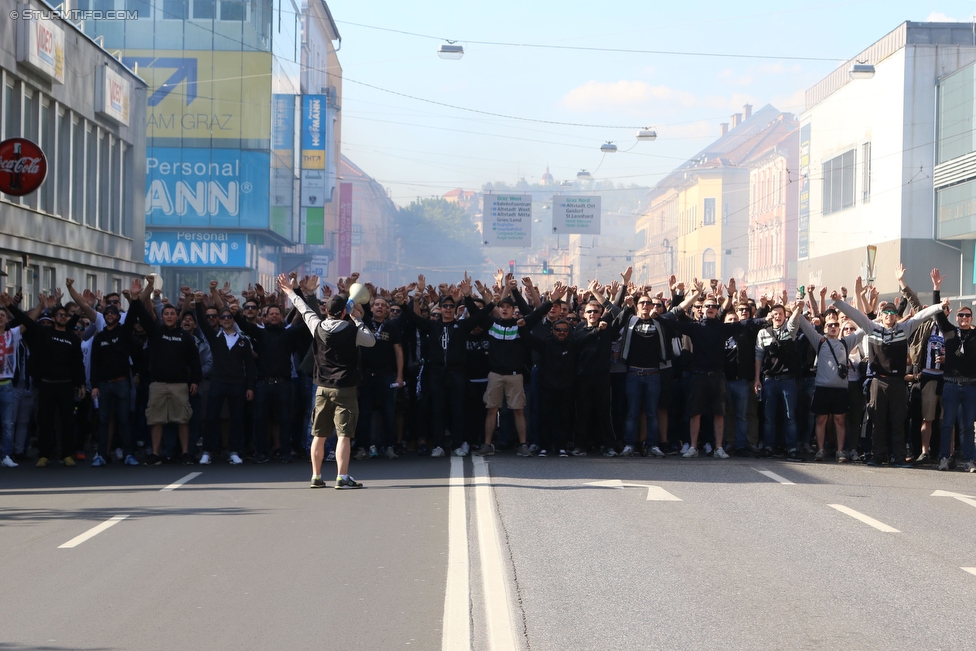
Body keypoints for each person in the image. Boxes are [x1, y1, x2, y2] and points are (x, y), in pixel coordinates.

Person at [831, 265, 945, 467]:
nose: (890, 315)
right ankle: (877, 456)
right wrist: (838, 301)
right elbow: (856, 315)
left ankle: (899, 457)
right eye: (886, 312)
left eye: (893, 312)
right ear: (881, 316)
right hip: (878, 382)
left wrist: (939, 306)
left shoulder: (904, 328)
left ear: (895, 315)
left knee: (899, 421)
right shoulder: (872, 328)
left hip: (898, 383)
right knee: (877, 421)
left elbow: (920, 315)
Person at [277, 273, 375, 489]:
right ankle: (342, 476)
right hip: (346, 389)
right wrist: (356, 318)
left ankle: (316, 476)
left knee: (318, 435)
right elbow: (371, 341)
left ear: (326, 311)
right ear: (344, 311)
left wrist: (289, 291)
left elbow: (303, 309)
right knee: (344, 435)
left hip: (321, 388)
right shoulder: (352, 330)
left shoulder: (317, 326)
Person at [474, 278, 564, 457]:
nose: (505, 309)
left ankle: (523, 445)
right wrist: (472, 296)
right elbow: (476, 314)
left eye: (509, 307)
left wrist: (551, 300)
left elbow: (537, 314)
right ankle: (487, 444)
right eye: (502, 306)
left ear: (514, 311)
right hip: (495, 375)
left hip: (515, 376)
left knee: (518, 410)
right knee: (492, 410)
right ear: (498, 309)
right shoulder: (492, 325)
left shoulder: (521, 325)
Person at [128, 275, 201, 466]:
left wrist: (195, 380)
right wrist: (136, 297)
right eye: (166, 314)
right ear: (162, 317)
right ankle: (155, 453)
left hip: (179, 385)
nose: (169, 316)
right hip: (158, 384)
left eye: (172, 314)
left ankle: (185, 453)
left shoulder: (185, 336)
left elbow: (195, 361)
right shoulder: (155, 332)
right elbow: (142, 314)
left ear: (177, 316)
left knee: (182, 420)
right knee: (156, 420)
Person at [793, 304, 865, 462]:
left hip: (840, 390)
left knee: (840, 420)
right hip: (822, 388)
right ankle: (820, 450)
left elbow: (864, 326)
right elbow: (803, 324)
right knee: (821, 420)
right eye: (830, 325)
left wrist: (846, 306)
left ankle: (840, 451)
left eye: (836, 324)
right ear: (824, 328)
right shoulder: (819, 341)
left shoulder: (846, 342)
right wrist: (797, 307)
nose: (833, 327)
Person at [195, 302, 256, 465]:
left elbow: (250, 366)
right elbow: (201, 321)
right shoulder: (214, 337)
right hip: (218, 382)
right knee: (211, 417)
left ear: (234, 319)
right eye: (223, 317)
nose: (226, 319)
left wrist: (250, 387)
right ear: (219, 321)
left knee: (237, 419)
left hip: (237, 384)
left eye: (229, 317)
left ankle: (234, 451)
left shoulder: (244, 340)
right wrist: (199, 303)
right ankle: (207, 451)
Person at [89, 286, 141, 467]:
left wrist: (133, 299)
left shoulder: (124, 332)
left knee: (125, 419)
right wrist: (94, 385)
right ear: (104, 317)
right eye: (107, 313)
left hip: (122, 383)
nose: (110, 315)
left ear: (118, 316)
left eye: (113, 313)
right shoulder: (99, 337)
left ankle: (128, 454)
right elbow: (94, 363)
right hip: (103, 384)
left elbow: (133, 315)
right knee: (103, 420)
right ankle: (101, 455)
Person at [933, 301, 976, 472]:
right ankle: (944, 457)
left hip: (970, 386)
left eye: (967, 315)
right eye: (961, 315)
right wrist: (936, 290)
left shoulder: (974, 335)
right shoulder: (950, 332)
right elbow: (938, 316)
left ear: (971, 318)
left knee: (968, 425)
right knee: (947, 423)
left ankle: (969, 460)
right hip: (950, 384)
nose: (964, 318)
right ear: (956, 318)